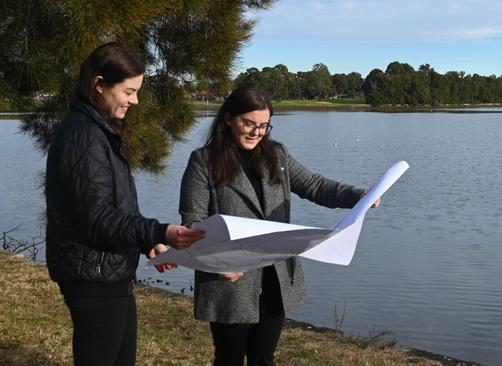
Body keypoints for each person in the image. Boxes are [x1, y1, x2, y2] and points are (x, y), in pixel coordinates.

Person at [179, 85, 380, 366]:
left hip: (275, 277)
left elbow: (315, 186)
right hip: (230, 279)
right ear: (228, 119)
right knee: (229, 357)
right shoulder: (203, 161)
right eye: (248, 123)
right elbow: (192, 220)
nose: (256, 132)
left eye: (263, 126)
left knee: (263, 357)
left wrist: (358, 196)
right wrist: (218, 261)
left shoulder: (277, 155)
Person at [45, 42, 204, 366]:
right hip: (93, 275)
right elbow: (97, 218)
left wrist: (149, 244)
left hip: (107, 271)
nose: (135, 100)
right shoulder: (84, 137)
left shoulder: (98, 131)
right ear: (99, 84)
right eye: (129, 91)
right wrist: (160, 232)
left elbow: (113, 207)